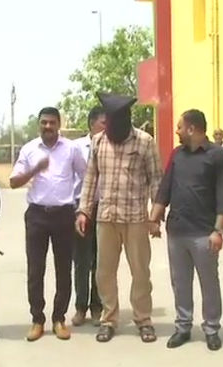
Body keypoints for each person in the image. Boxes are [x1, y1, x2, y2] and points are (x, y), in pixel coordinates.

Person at [76, 93, 162, 343]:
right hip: (106, 218)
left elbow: (156, 180)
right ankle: (109, 319)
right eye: (108, 121)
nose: (111, 127)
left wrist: (155, 217)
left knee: (140, 272)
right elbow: (91, 178)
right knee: (104, 273)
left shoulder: (145, 141)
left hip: (136, 218)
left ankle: (143, 320)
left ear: (127, 119)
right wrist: (83, 211)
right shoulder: (98, 141)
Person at [153, 110, 223, 351]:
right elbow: (165, 188)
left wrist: (218, 231)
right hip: (177, 230)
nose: (177, 131)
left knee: (209, 283)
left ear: (191, 129)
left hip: (204, 232)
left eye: (180, 127)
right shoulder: (177, 155)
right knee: (180, 282)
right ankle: (183, 326)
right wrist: (154, 218)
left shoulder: (218, 156)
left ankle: (211, 328)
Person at [10, 107, 86, 341]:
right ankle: (37, 320)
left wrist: (80, 208)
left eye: (52, 122)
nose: (48, 127)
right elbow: (13, 182)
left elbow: (86, 176)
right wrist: (35, 169)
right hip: (37, 216)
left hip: (64, 215)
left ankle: (59, 319)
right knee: (35, 270)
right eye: (44, 122)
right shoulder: (29, 149)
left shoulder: (71, 148)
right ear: (39, 125)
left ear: (59, 124)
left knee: (63, 270)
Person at [71, 106, 106, 327]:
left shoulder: (111, 145)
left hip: (103, 209)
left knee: (101, 261)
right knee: (82, 261)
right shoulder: (75, 148)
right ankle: (80, 307)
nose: (108, 127)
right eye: (104, 123)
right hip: (81, 210)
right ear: (92, 123)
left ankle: (97, 306)